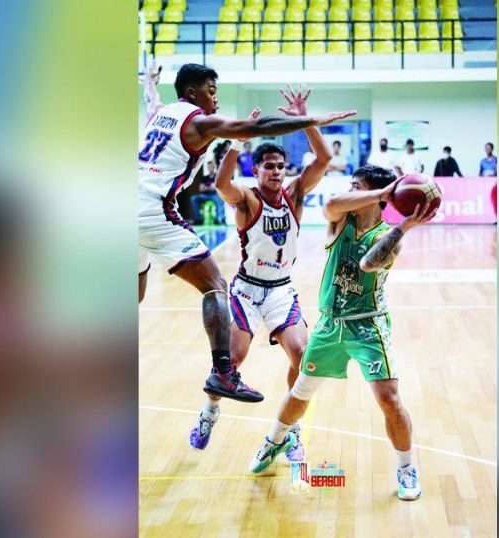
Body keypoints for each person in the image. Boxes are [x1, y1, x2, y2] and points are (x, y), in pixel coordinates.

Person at [138, 63, 356, 403]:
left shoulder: (162, 115)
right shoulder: (200, 121)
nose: (216, 101)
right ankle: (224, 374)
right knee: (214, 285)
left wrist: (150, 86)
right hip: (152, 209)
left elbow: (153, 105)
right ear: (193, 94)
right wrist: (311, 120)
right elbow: (259, 126)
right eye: (212, 92)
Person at [247, 165, 438, 501]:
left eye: (357, 186)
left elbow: (368, 264)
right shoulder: (339, 222)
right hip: (329, 323)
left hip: (367, 325)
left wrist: (404, 228)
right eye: (353, 185)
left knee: (389, 400)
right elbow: (332, 202)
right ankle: (274, 441)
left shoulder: (387, 236)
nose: (351, 191)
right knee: (300, 392)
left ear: (380, 197)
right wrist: (382, 192)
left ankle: (406, 468)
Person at [188, 85, 334, 454]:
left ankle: (290, 430)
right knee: (232, 361)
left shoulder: (295, 195)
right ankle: (209, 410)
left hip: (281, 289)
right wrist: (238, 139)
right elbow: (222, 183)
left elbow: (323, 158)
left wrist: (304, 119)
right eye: (269, 165)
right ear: (257, 170)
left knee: (304, 358)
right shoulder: (248, 198)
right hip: (247, 291)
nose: (276, 171)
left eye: (281, 166)